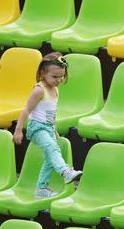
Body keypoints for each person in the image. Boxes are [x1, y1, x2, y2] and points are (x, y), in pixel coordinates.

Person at [13, 52, 82, 199]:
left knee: (50, 160)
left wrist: (54, 129)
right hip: (37, 128)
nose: (58, 80)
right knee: (52, 148)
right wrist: (18, 130)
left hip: (48, 128)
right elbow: (26, 110)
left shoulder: (55, 89)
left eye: (61, 76)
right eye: (55, 77)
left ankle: (41, 189)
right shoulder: (39, 90)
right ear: (43, 73)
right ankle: (65, 172)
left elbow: (51, 113)